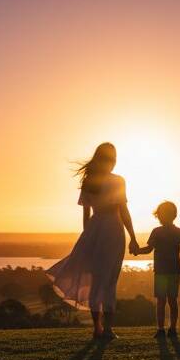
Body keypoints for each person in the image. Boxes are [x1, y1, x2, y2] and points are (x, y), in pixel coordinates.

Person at [47, 143, 139, 340]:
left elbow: (86, 215)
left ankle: (98, 328)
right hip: (113, 230)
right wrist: (133, 237)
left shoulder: (89, 181)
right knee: (109, 280)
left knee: (97, 280)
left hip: (94, 229)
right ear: (110, 160)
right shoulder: (117, 181)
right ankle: (107, 329)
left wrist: (88, 237)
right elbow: (123, 211)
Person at [133, 201, 180, 338]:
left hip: (162, 272)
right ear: (174, 215)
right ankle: (172, 329)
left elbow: (148, 249)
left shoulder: (157, 232)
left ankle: (161, 329)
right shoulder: (179, 232)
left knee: (161, 301)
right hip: (173, 271)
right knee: (172, 300)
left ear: (160, 216)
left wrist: (137, 251)